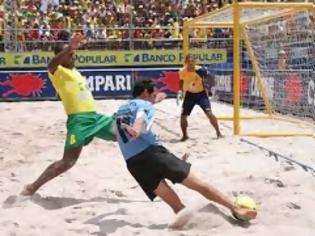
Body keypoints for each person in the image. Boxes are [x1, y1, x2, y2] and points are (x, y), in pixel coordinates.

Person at [114, 79, 257, 223]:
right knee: (199, 185)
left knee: (177, 207)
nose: (153, 99)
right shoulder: (144, 105)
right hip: (154, 155)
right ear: (145, 93)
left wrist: (157, 98)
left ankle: (194, 224)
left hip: (133, 164)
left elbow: (122, 128)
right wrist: (137, 129)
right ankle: (235, 207)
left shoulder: (120, 110)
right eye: (152, 95)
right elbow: (140, 116)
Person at [21, 33, 116, 196]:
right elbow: (51, 64)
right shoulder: (57, 72)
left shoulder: (75, 71)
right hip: (78, 121)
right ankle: (32, 187)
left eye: (74, 54)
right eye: (70, 55)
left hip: (95, 118)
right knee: (68, 162)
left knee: (121, 134)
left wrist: (70, 48)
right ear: (62, 57)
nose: (74, 56)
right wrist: (69, 48)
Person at [178, 54, 222, 141]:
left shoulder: (201, 70)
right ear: (186, 62)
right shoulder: (182, 71)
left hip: (201, 94)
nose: (191, 64)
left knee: (209, 113)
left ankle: (218, 132)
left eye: (192, 62)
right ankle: (185, 135)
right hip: (189, 95)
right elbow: (181, 81)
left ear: (195, 62)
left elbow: (211, 79)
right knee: (183, 116)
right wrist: (180, 91)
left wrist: (212, 89)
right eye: (189, 62)